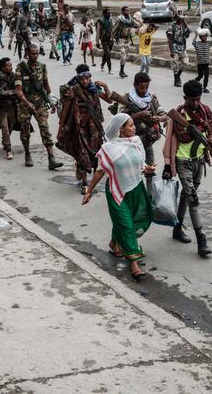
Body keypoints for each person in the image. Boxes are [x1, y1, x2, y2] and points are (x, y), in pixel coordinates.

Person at [82, 113, 155, 281]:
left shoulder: (135, 142)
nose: (134, 127)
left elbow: (140, 166)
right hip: (117, 191)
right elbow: (100, 171)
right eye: (130, 125)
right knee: (127, 224)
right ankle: (134, 263)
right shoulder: (108, 148)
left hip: (136, 188)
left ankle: (114, 243)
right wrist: (89, 191)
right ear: (121, 129)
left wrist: (148, 169)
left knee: (138, 218)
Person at [162, 80, 212, 255]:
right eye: (192, 100)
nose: (195, 103)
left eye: (198, 99)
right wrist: (167, 164)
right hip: (182, 161)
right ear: (185, 98)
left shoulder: (206, 111)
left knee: (186, 197)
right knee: (193, 200)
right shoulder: (179, 114)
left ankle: (177, 229)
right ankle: (201, 240)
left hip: (198, 161)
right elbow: (170, 139)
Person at [57, 64, 111, 194]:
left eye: (87, 78)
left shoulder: (94, 89)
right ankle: (85, 183)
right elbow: (65, 111)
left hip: (94, 128)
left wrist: (106, 87)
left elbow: (109, 100)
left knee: (94, 154)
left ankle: (88, 178)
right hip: (78, 128)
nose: (85, 81)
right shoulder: (72, 91)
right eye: (82, 79)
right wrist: (61, 129)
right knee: (83, 154)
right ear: (78, 78)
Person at [15, 44, 64, 170]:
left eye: (37, 53)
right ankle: (27, 154)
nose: (35, 56)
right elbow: (19, 91)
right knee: (25, 132)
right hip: (25, 104)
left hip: (40, 104)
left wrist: (51, 100)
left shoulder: (42, 67)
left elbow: (46, 85)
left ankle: (51, 158)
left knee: (45, 129)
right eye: (32, 53)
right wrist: (27, 103)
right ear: (27, 54)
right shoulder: (21, 68)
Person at [117, 72, 166, 191]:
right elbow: (120, 119)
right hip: (130, 144)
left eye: (146, 87)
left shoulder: (151, 99)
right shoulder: (126, 99)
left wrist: (159, 118)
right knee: (131, 171)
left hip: (147, 141)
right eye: (141, 88)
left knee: (150, 170)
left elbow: (163, 114)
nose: (144, 91)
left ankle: (150, 195)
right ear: (135, 85)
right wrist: (138, 115)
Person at [167, 13, 190, 86]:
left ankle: (178, 76)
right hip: (174, 47)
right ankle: (176, 80)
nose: (181, 19)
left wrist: (185, 24)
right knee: (175, 63)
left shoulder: (183, 26)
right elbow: (170, 39)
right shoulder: (172, 26)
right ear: (177, 18)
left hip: (182, 47)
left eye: (183, 18)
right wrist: (171, 51)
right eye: (180, 18)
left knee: (186, 62)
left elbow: (187, 35)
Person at [113, 6, 136, 78]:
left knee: (125, 56)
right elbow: (115, 28)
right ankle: (121, 71)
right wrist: (111, 37)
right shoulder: (120, 19)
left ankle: (122, 70)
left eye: (128, 11)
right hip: (121, 39)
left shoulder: (130, 19)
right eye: (126, 11)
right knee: (123, 55)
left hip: (127, 39)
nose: (128, 12)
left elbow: (135, 25)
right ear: (123, 11)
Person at [193, 28, 212, 93]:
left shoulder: (208, 43)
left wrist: (210, 34)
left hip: (206, 64)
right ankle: (193, 83)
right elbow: (193, 42)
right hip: (200, 64)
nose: (204, 37)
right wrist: (195, 35)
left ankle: (204, 87)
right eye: (202, 36)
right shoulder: (197, 44)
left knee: (206, 77)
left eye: (205, 36)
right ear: (200, 37)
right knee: (200, 76)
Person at [96, 8, 114, 74]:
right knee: (108, 54)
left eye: (110, 13)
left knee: (106, 53)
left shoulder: (111, 20)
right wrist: (97, 41)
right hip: (103, 39)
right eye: (107, 13)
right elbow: (98, 32)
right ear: (104, 14)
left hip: (110, 39)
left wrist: (112, 38)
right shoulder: (100, 21)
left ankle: (102, 64)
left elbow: (112, 29)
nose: (109, 14)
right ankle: (110, 69)